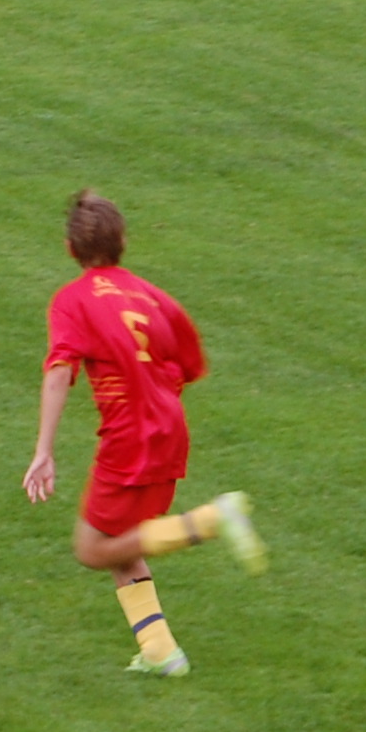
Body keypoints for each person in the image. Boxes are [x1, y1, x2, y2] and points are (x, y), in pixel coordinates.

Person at [24, 191, 267, 677]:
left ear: (70, 249)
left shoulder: (72, 300)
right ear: (124, 243)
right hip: (169, 428)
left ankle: (209, 520)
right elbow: (189, 365)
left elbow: (59, 372)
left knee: (92, 548)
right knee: (123, 540)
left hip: (128, 436)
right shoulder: (156, 297)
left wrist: (43, 450)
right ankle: (159, 651)